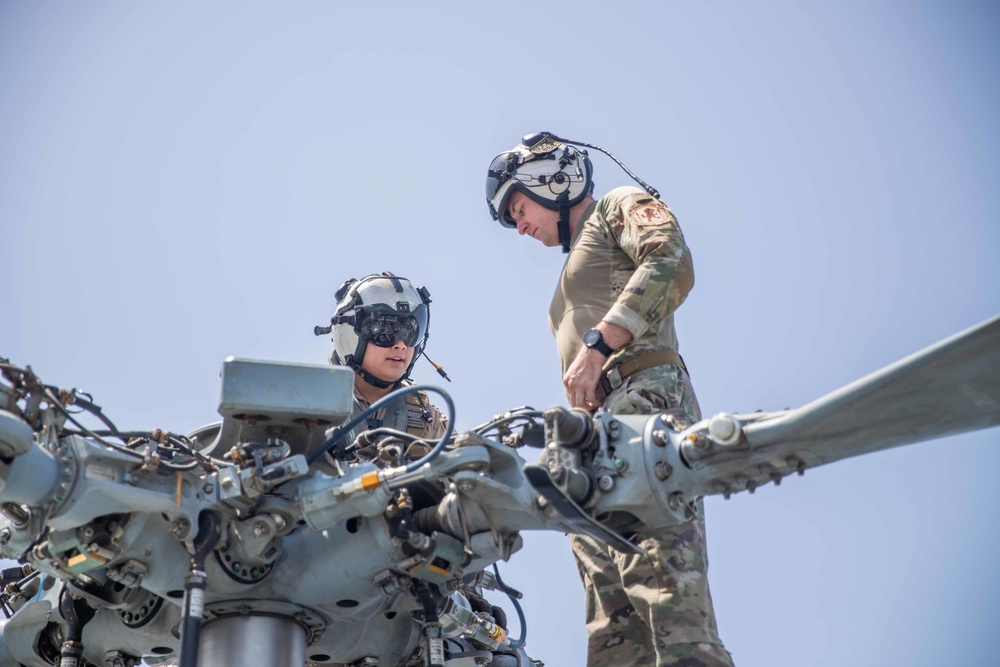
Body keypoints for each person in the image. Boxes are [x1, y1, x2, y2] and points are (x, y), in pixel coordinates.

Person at [485, 133, 733, 667]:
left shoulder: (617, 206)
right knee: (612, 620)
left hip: (644, 400)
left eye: (519, 207)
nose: (520, 224)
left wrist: (600, 343)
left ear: (552, 181)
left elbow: (670, 257)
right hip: (596, 434)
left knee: (665, 584)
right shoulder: (574, 262)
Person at [315, 271, 448, 455]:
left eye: (409, 334)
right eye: (384, 332)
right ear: (350, 333)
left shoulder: (427, 419)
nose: (401, 345)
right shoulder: (308, 403)